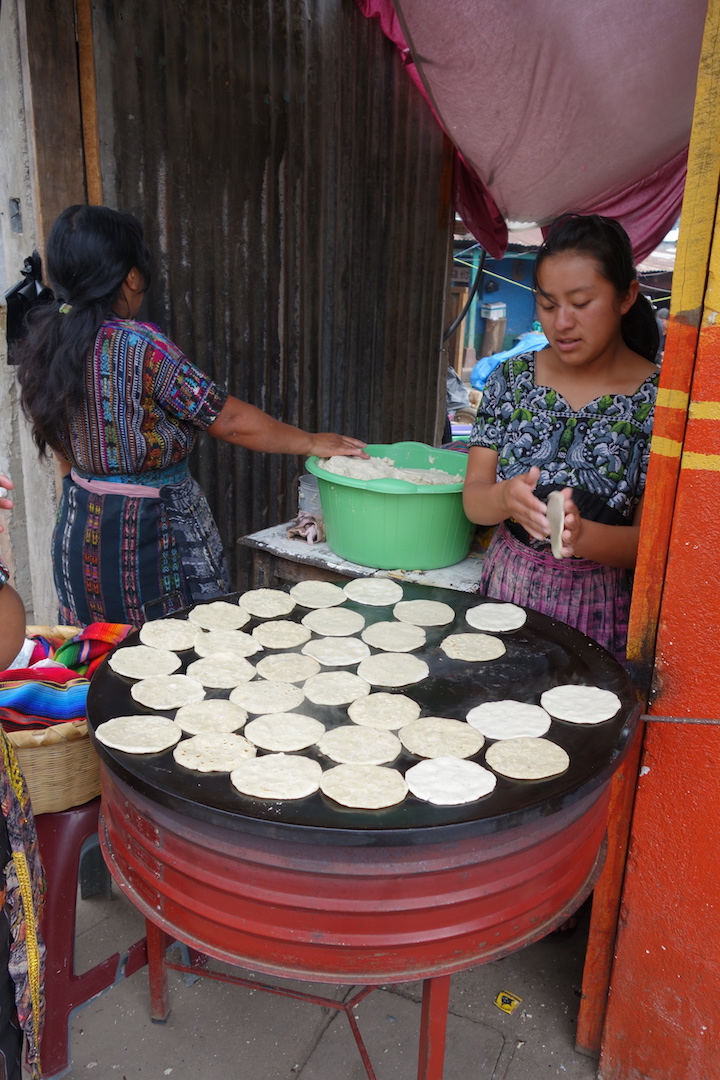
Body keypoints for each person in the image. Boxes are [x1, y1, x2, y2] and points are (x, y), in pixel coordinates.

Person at [15, 205, 367, 627]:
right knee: (176, 656)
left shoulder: (43, 341)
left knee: (98, 655)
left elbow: (61, 451)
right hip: (152, 536)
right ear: (130, 276)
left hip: (80, 527)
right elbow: (228, 420)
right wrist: (310, 441)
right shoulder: (140, 345)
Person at [462, 213, 660, 663]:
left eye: (581, 302)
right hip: (504, 592)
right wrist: (506, 499)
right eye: (548, 305)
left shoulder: (659, 401)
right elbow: (473, 500)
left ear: (627, 296)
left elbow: (649, 545)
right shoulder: (509, 379)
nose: (562, 322)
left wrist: (579, 535)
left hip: (598, 614)